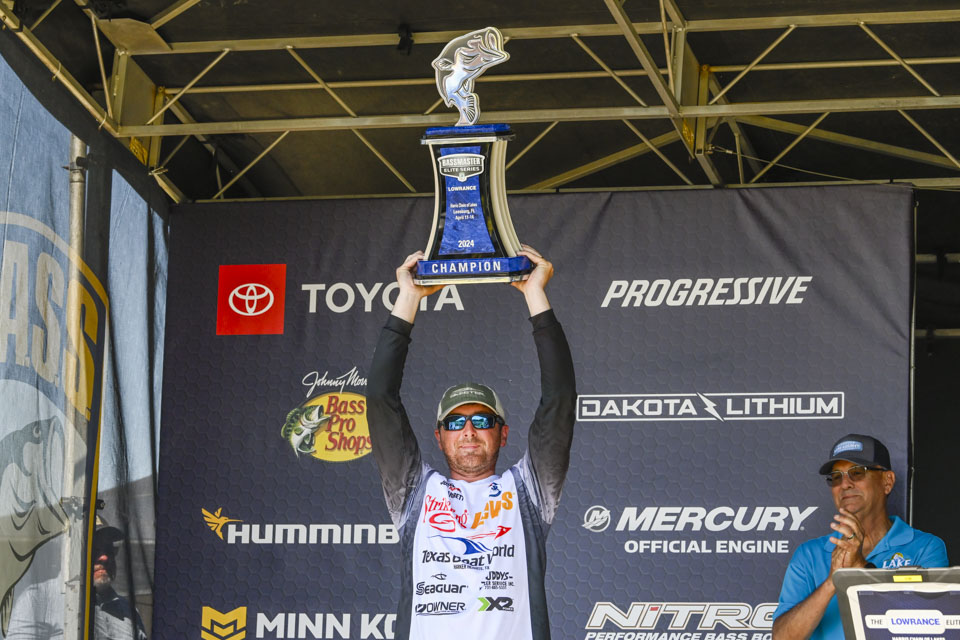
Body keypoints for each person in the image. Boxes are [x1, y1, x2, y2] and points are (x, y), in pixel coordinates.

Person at [367, 246, 576, 640]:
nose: (468, 430)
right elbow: (380, 399)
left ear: (503, 433)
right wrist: (408, 297)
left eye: (482, 420)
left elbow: (559, 400)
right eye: (454, 422)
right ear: (439, 436)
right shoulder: (414, 492)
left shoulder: (528, 493)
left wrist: (535, 294)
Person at [772, 433, 948, 640]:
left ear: (887, 481)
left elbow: (927, 629)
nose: (845, 484)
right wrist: (833, 581)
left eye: (857, 472)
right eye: (836, 477)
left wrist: (860, 570)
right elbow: (782, 637)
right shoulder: (809, 554)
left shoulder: (926, 547)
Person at [91, 522, 148, 640]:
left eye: (109, 551)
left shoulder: (129, 611)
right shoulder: (63, 607)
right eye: (95, 550)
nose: (104, 558)